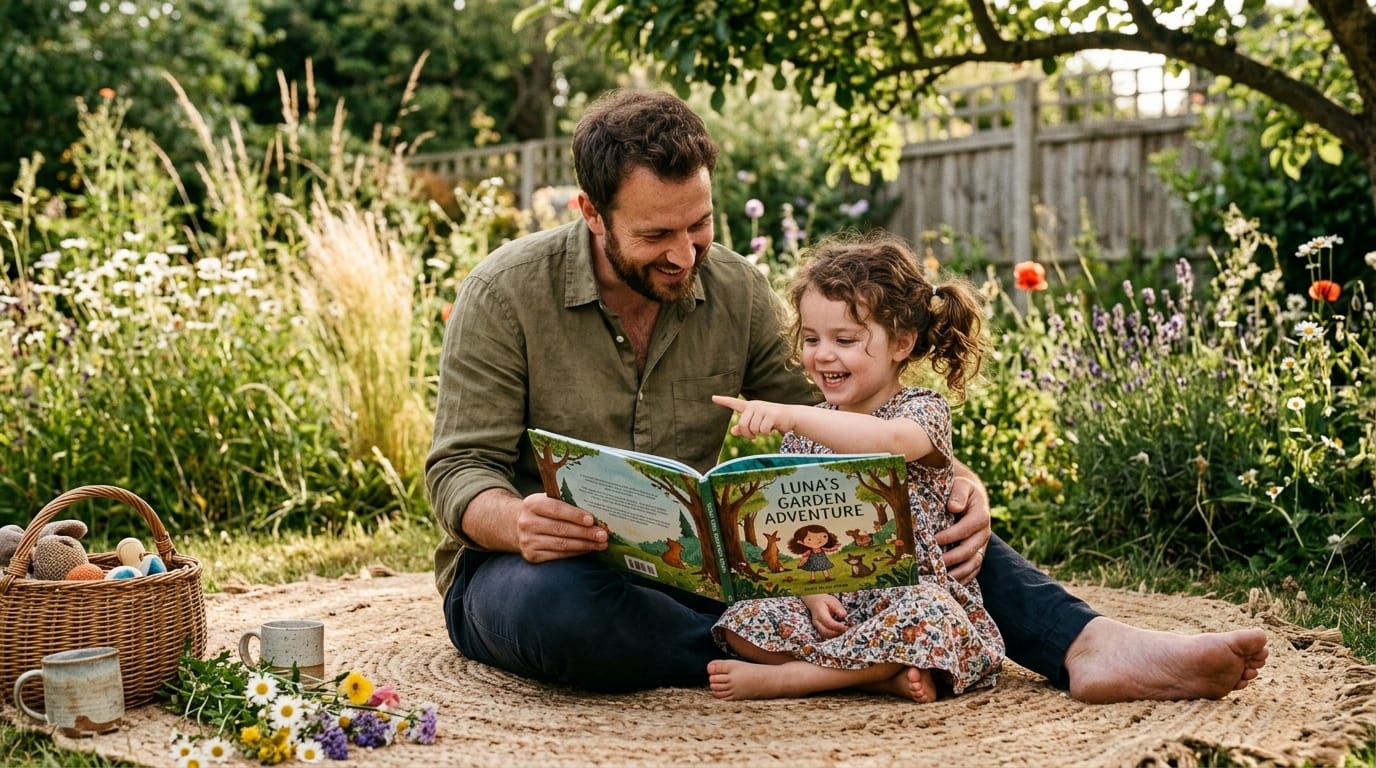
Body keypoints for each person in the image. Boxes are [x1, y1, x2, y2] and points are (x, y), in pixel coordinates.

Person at [425, 87, 1268, 702]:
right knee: (569, 614)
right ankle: (848, 664)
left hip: (697, 572)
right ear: (590, 212)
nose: (685, 254)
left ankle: (1086, 643)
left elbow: (849, 425)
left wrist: (948, 472)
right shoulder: (508, 293)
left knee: (918, 515)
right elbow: (458, 472)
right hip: (531, 575)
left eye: (700, 226)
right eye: (656, 235)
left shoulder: (737, 289)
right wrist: (520, 522)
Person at [707, 233, 1004, 703]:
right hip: (834, 602)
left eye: (844, 340)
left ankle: (795, 678)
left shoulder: (920, 412)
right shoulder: (804, 436)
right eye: (811, 339)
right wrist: (807, 595)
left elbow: (887, 445)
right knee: (743, 617)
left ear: (902, 343)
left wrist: (790, 413)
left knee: (931, 616)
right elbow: (786, 536)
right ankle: (875, 675)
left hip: (903, 598)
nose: (823, 354)